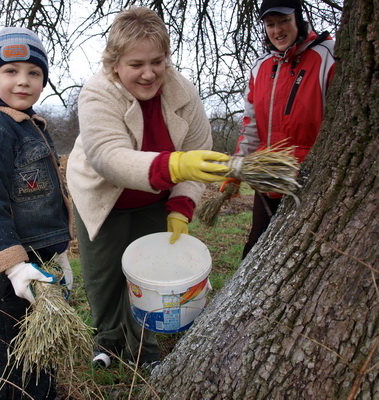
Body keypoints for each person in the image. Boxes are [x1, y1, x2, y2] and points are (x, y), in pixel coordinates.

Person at [66, 6, 230, 371]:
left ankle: (144, 348)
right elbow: (108, 157)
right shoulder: (97, 92)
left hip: (155, 197)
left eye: (158, 61)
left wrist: (181, 206)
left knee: (147, 273)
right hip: (104, 196)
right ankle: (108, 339)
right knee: (104, 274)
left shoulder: (183, 93)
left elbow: (197, 154)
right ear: (114, 63)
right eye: (136, 63)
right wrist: (173, 163)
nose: (149, 73)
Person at [0, 27, 72, 400]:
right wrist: (13, 265)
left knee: (38, 347)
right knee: (8, 352)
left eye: (34, 73)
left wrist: (59, 249)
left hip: (42, 260)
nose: (23, 81)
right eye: (11, 71)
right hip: (11, 270)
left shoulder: (29, 125)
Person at [235, 0, 335, 259]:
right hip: (267, 175)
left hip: (309, 179)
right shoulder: (261, 67)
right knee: (255, 247)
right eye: (270, 24)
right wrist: (237, 167)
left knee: (301, 254)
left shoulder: (328, 55)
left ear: (298, 20)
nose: (277, 30)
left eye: (283, 22)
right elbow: (251, 125)